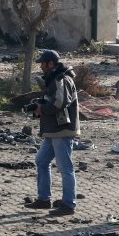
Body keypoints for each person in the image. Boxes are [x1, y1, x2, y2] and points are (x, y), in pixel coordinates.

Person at [24, 50, 80, 217]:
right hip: (53, 130)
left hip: (61, 130)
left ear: (50, 63)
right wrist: (39, 104)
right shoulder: (54, 79)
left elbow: (60, 103)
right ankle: (43, 199)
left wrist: (42, 108)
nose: (41, 66)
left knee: (65, 168)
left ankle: (69, 204)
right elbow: (54, 101)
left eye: (43, 63)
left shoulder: (61, 79)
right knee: (41, 160)